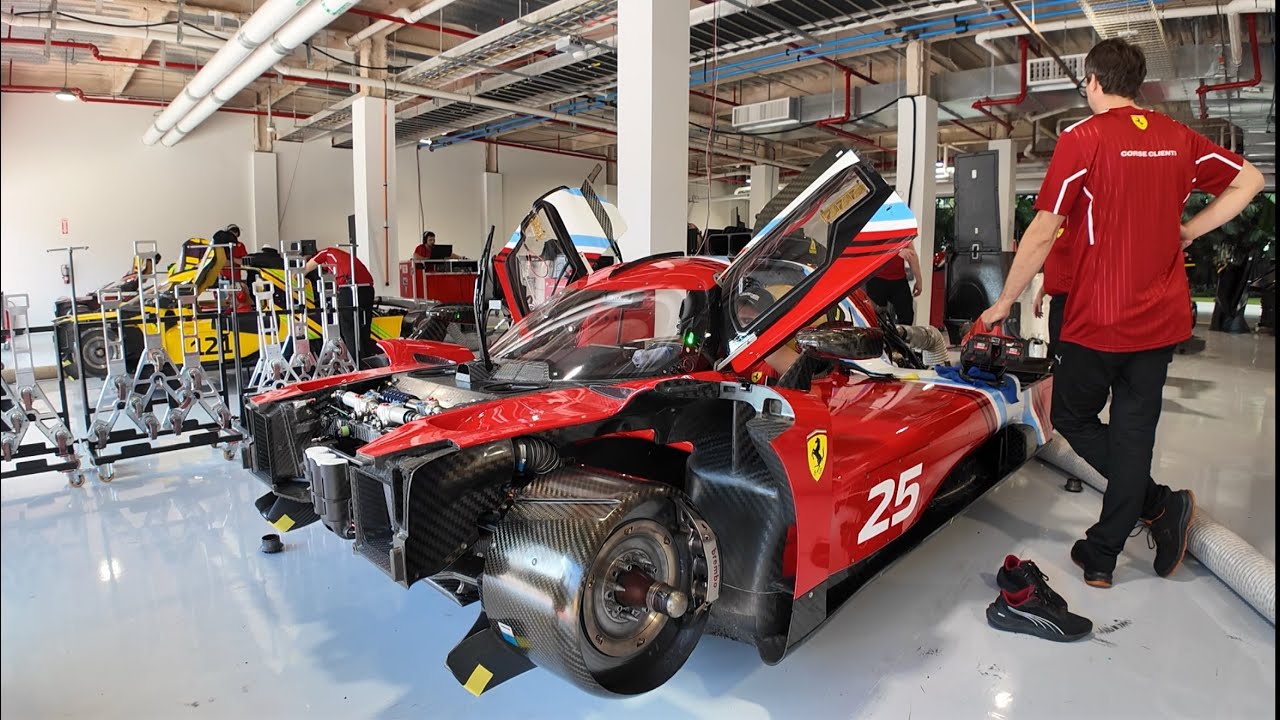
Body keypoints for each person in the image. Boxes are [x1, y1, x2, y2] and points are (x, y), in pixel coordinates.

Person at [978, 38, 1265, 588]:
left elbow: (1043, 229)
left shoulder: (1082, 139)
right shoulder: (1178, 139)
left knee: (1072, 418)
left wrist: (1006, 300)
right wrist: (1190, 230)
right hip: (1159, 321)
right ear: (1134, 85)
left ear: (1092, 81)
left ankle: (1153, 509)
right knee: (1135, 434)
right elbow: (1249, 180)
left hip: (1096, 318)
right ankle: (1107, 551)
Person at [304, 246, 376, 361]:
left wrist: (296, 275)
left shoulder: (326, 252)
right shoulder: (343, 258)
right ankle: (367, 359)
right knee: (363, 326)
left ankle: (356, 362)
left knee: (348, 327)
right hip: (367, 289)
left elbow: (305, 268)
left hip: (350, 289)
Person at [864, 246, 923, 324]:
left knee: (907, 316)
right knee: (874, 316)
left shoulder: (903, 234)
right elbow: (870, 251)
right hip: (876, 278)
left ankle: (901, 335)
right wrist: (897, 252)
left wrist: (919, 280)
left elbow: (912, 254)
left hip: (898, 280)